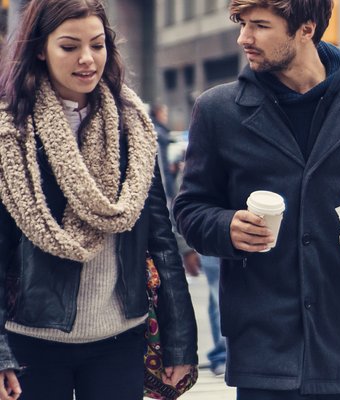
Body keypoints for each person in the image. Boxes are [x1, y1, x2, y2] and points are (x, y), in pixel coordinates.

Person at [173, 0, 340, 398]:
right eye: (242, 24)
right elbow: (190, 208)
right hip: (261, 343)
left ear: (306, 28)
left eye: (260, 25)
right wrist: (226, 227)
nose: (244, 38)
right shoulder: (218, 110)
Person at [0, 0, 199, 398]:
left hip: (119, 340)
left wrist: (180, 343)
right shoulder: (12, 133)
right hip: (30, 341)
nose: (87, 59)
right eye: (69, 46)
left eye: (97, 44)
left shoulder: (133, 127)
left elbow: (160, 240)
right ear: (40, 49)